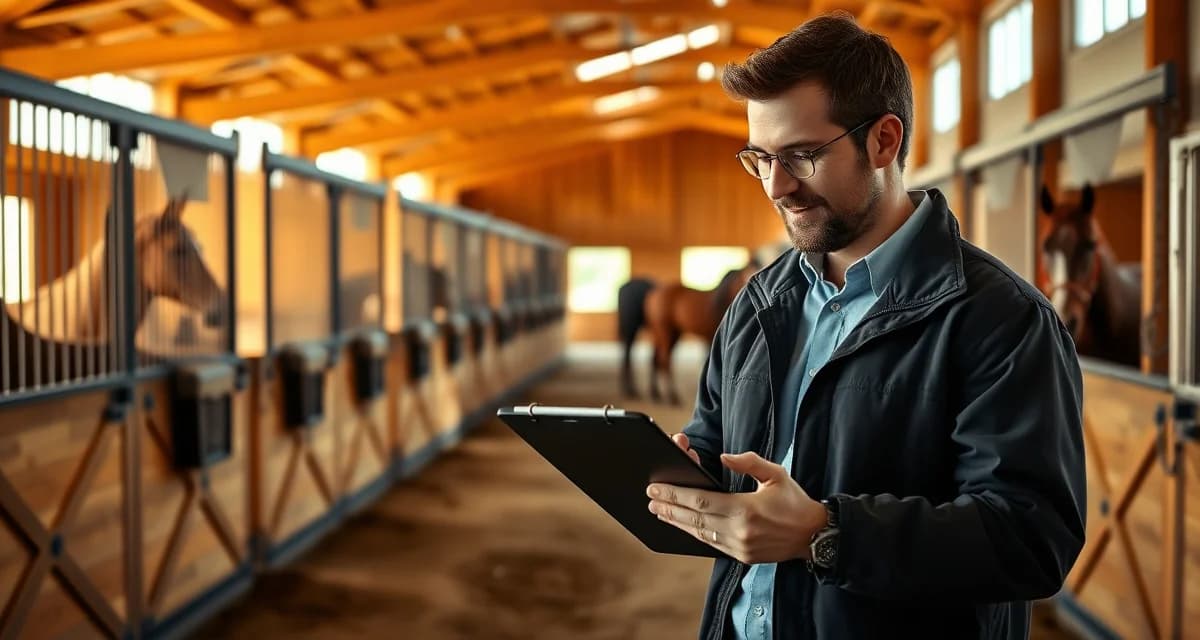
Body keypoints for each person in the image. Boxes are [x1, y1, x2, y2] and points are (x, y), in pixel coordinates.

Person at [644, 12, 1086, 640]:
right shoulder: (757, 303)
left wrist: (827, 534)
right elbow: (720, 442)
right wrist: (694, 477)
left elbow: (1031, 538)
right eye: (760, 158)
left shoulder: (1003, 320)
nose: (777, 186)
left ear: (883, 141)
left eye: (802, 155)